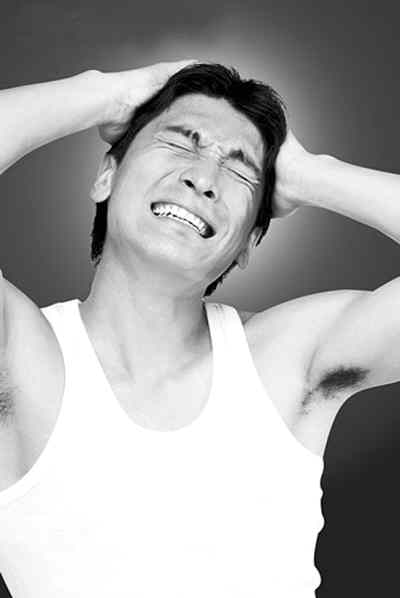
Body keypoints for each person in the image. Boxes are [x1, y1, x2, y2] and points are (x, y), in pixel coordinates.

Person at [0, 59, 399, 598]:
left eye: (240, 172)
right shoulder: (20, 360)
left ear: (248, 244)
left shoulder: (287, 361)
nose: (203, 179)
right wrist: (104, 94)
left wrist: (310, 174)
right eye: (179, 143)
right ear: (106, 176)